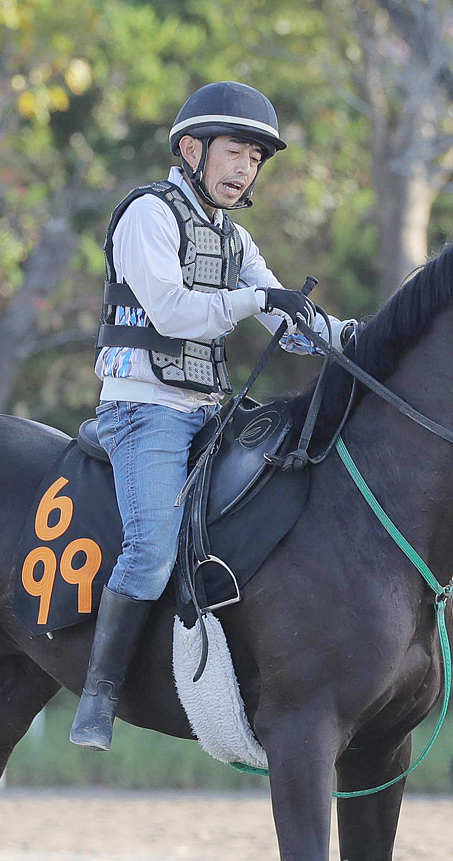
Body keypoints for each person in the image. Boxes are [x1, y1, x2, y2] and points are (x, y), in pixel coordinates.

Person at [70, 81, 354, 750]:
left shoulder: (233, 237)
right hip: (144, 412)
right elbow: (170, 311)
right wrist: (255, 300)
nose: (244, 169)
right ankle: (97, 697)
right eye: (235, 153)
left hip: (208, 409)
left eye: (255, 160)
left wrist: (346, 336)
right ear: (190, 149)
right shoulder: (147, 214)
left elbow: (285, 321)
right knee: (147, 550)